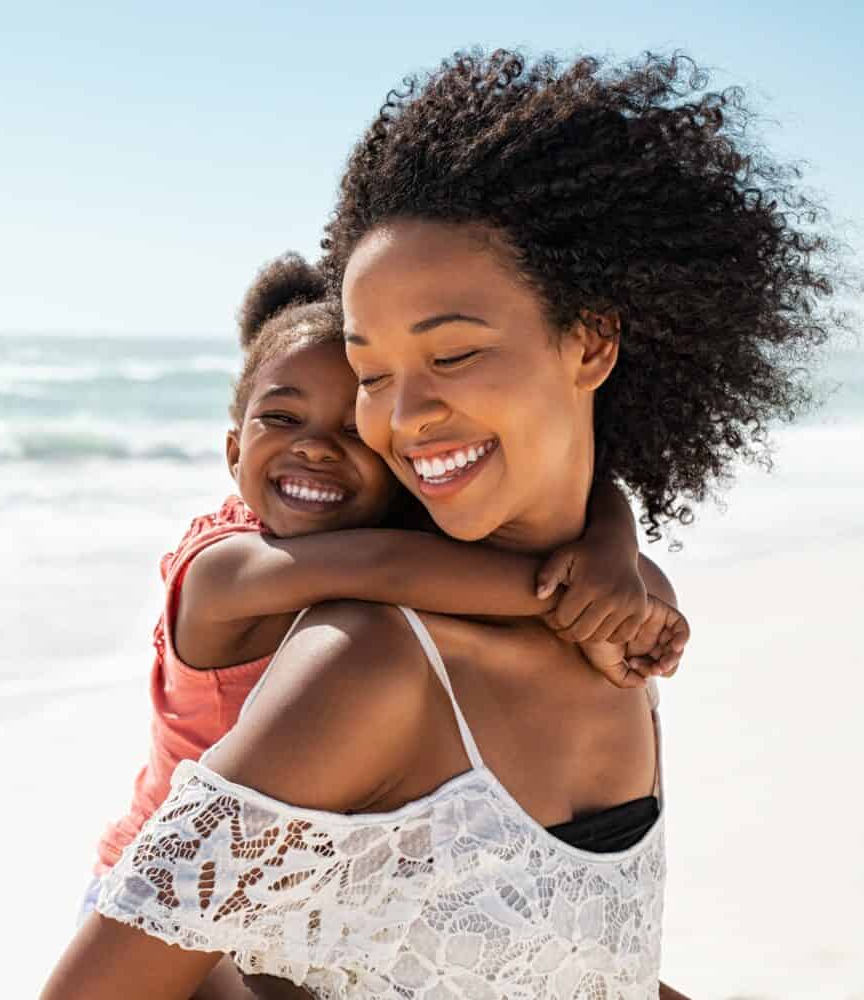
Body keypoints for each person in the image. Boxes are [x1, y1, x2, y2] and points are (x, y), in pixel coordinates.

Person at [44, 50, 841, 999]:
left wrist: (608, 548)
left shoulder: (615, 630)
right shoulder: (367, 662)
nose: (403, 415)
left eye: (453, 353)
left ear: (590, 341)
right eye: (372, 372)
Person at [81, 251, 686, 945]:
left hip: (291, 893)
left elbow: (559, 509)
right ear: (231, 451)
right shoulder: (223, 570)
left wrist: (611, 541)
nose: (313, 449)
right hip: (157, 896)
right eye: (280, 419)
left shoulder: (382, 534)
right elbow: (386, 564)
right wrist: (582, 597)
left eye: (350, 432)